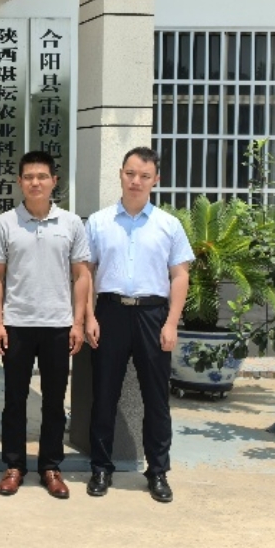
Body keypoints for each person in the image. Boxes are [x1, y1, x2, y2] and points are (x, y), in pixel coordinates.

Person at [84, 146, 193, 503]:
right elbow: (86, 272)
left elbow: (180, 275)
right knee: (104, 395)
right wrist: (88, 316)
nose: (136, 181)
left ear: (155, 180)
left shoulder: (168, 225)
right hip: (110, 313)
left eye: (144, 176)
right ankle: (101, 468)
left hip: (153, 316)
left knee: (156, 399)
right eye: (130, 173)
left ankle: (157, 471)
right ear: (121, 174)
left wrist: (172, 323)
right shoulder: (99, 222)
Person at [0, 151, 91, 499]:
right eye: (29, 177)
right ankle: (14, 466)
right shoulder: (5, 223)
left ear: (53, 181)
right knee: (14, 400)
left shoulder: (71, 223)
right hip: (17, 325)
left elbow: (81, 275)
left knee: (54, 401)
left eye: (42, 176)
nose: (35, 182)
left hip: (58, 325)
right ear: (19, 182)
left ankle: (50, 467)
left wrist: (78, 322)